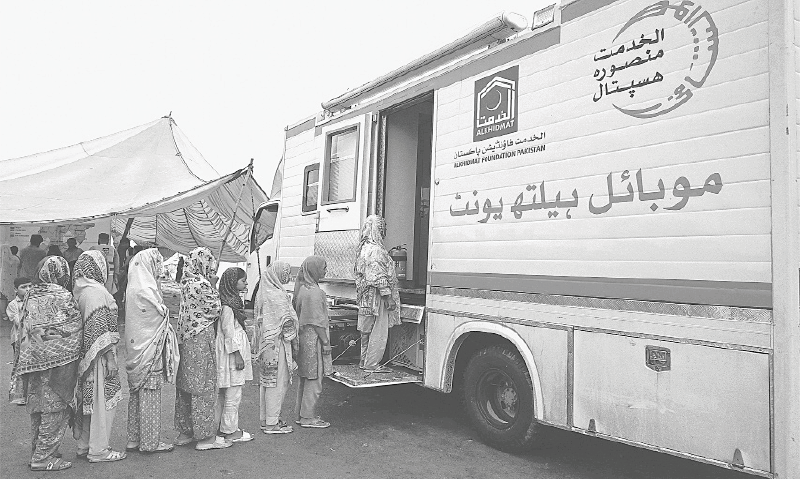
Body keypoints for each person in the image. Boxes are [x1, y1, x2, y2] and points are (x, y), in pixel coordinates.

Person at [13, 256, 82, 471]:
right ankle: (43, 458)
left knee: (38, 410)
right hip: (58, 365)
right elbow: (73, 327)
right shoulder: (63, 295)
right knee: (55, 409)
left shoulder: (30, 294)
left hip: (32, 363)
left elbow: (24, 330)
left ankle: (38, 450)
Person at [72, 251, 127, 463]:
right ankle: (99, 450)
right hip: (99, 358)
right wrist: (110, 359)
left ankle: (84, 445)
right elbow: (99, 330)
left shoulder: (83, 290)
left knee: (90, 403)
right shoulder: (95, 293)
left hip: (87, 357)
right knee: (102, 404)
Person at [174, 247, 230, 450]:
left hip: (185, 339)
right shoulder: (201, 284)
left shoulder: (187, 282)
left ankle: (185, 432)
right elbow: (215, 308)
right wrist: (213, 285)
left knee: (186, 385)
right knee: (203, 386)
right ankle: (205, 437)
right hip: (200, 338)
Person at [124, 248, 178, 454]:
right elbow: (159, 316)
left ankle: (134, 439)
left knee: (137, 395)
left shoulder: (134, 286)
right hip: (150, 350)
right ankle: (149, 442)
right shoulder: (147, 290)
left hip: (135, 351)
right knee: (151, 396)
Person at [354, 215, 401, 373]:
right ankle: (372, 364)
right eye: (383, 228)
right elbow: (379, 277)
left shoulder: (363, 249)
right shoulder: (377, 251)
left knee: (366, 332)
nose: (384, 231)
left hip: (364, 298)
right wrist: (388, 298)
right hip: (376, 298)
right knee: (378, 331)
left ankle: (364, 361)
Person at [254, 261, 297, 434]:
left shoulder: (263, 292)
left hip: (266, 345)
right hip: (278, 346)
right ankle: (272, 423)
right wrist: (294, 332)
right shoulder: (278, 295)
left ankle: (267, 419)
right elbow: (287, 324)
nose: (288, 276)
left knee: (267, 383)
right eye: (286, 273)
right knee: (278, 383)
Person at [214, 267, 254, 443]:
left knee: (225, 393)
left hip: (229, 351)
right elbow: (228, 332)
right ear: (232, 282)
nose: (246, 283)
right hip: (231, 353)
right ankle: (230, 430)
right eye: (243, 281)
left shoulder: (230, 301)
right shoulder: (228, 306)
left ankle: (219, 427)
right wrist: (238, 355)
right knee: (233, 393)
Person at [293, 255, 332, 429]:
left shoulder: (302, 289)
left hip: (303, 337)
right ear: (314, 270)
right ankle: (308, 417)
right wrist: (325, 343)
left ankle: (301, 414)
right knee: (314, 379)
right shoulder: (316, 293)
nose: (325, 271)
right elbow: (317, 322)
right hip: (314, 339)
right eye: (323, 268)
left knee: (305, 376)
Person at [7, 276, 32, 405]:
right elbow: (19, 322)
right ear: (15, 290)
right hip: (19, 340)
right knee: (20, 366)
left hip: (33, 339)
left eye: (29, 286)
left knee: (32, 365)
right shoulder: (13, 305)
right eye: (23, 287)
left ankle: (31, 394)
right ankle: (20, 396)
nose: (28, 289)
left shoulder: (34, 301)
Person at [1, 245, 21, 321]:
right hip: (14, 279)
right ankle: (12, 313)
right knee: (13, 296)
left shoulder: (4, 260)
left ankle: (3, 314)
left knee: (3, 296)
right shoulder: (17, 259)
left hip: (4, 280)